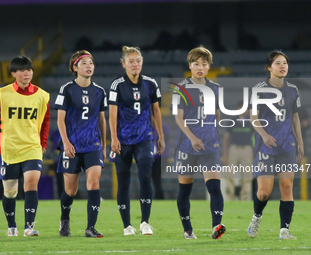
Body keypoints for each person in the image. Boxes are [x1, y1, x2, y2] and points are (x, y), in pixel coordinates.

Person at [0, 56, 50, 237]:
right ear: (14, 73)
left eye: (29, 70)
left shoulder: (41, 95)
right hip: (9, 148)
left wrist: (42, 142)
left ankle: (29, 227)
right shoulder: (3, 93)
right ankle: (11, 226)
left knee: (31, 183)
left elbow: (46, 120)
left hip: (32, 147)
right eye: (22, 70)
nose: (27, 73)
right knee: (10, 191)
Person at [109, 46, 165, 236]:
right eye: (131, 61)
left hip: (144, 139)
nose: (135, 64)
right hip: (123, 140)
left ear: (142, 63)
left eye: (138, 61)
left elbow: (156, 111)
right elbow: (112, 115)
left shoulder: (150, 84)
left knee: (145, 178)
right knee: (123, 182)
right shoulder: (117, 85)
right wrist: (114, 138)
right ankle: (127, 225)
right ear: (124, 64)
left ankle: (145, 222)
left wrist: (161, 138)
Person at [247, 50, 303, 240]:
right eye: (278, 63)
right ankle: (257, 216)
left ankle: (284, 230)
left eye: (285, 63)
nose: (282, 66)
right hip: (266, 147)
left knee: (287, 186)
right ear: (269, 67)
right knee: (264, 193)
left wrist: (300, 143)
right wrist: (264, 135)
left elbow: (295, 118)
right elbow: (253, 117)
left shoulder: (293, 90)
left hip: (287, 146)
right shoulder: (259, 89)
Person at [172, 46, 226, 240]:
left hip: (210, 147)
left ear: (209, 66)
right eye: (196, 64)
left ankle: (216, 226)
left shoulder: (215, 88)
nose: (200, 67)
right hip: (187, 145)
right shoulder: (181, 88)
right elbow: (178, 118)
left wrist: (213, 134)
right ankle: (188, 230)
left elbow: (218, 115)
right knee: (185, 189)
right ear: (190, 66)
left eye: (204, 63)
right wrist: (193, 137)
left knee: (214, 188)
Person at [54, 50, 107, 238]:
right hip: (72, 147)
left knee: (93, 183)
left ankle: (90, 227)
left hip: (93, 145)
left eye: (91, 63)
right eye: (84, 63)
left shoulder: (100, 91)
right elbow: (60, 119)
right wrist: (66, 143)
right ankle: (64, 221)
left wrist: (104, 145)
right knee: (70, 190)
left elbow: (102, 120)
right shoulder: (66, 89)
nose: (89, 66)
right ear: (75, 67)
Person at [222, 102, 254, 200]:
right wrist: (225, 155)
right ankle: (230, 196)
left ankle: (244, 197)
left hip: (247, 149)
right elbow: (226, 138)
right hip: (234, 149)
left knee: (247, 175)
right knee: (230, 174)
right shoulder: (232, 120)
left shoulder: (251, 121)